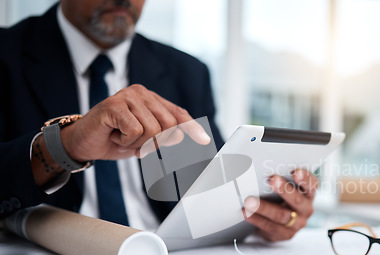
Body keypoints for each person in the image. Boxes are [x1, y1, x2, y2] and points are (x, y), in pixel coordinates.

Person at [0, 0, 318, 241]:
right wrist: (66, 145)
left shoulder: (186, 73)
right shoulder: (7, 55)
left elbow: (210, 196)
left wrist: (265, 215)